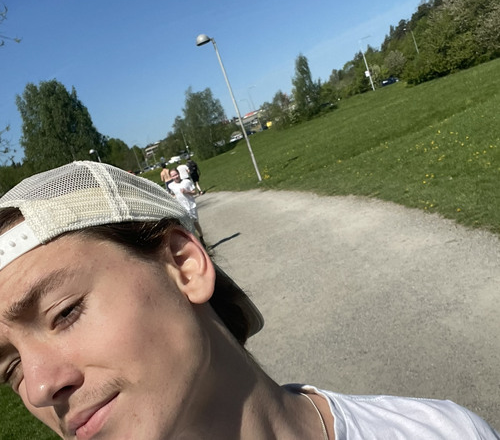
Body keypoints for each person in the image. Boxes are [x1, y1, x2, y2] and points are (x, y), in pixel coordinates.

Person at [0, 161, 498, 440]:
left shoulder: (444, 432)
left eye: (64, 312)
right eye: (11, 369)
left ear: (184, 266)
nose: (39, 388)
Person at [167, 167, 205, 247]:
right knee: (187, 227)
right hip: (182, 209)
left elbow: (194, 192)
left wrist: (187, 192)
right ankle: (195, 245)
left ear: (179, 174)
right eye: (173, 176)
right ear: (171, 177)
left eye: (176, 174)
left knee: (195, 223)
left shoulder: (186, 182)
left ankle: (201, 236)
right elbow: (173, 194)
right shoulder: (171, 186)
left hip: (191, 206)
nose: (176, 177)